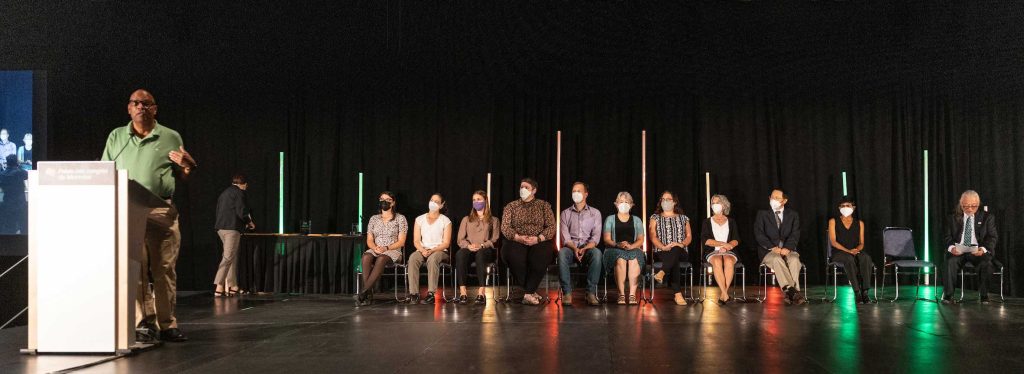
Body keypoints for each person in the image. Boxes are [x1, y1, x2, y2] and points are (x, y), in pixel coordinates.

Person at [101, 89, 197, 342]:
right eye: (136, 103)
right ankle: (142, 322)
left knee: (163, 268)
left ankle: (167, 324)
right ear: (128, 108)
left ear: (155, 109)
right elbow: (104, 171)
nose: (140, 106)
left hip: (160, 209)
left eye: (146, 103)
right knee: (136, 268)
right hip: (127, 207)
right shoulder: (117, 137)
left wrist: (188, 166)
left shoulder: (170, 136)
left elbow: (183, 174)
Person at [500, 177, 556, 305]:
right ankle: (530, 291)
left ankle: (528, 292)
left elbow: (551, 226)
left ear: (534, 190)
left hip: (538, 240)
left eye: (526, 187)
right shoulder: (511, 206)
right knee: (510, 254)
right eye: (521, 187)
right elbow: (505, 226)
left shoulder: (543, 205)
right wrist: (518, 237)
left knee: (541, 255)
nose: (523, 189)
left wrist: (538, 238)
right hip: (517, 240)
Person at [942, 190, 998, 304]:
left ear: (978, 204)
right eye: (966, 206)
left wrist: (982, 249)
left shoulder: (987, 217)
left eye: (973, 206)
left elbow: (992, 237)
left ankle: (984, 295)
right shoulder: (952, 217)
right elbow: (946, 237)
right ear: (961, 204)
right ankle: (948, 295)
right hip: (959, 250)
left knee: (986, 263)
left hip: (977, 251)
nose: (970, 209)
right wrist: (952, 248)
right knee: (949, 262)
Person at [354, 191, 408, 306]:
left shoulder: (400, 218)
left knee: (382, 258)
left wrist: (386, 248)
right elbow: (369, 240)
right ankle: (367, 293)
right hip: (376, 248)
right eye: (382, 199)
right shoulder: (374, 219)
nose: (384, 202)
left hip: (392, 250)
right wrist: (375, 248)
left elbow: (401, 242)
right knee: (366, 256)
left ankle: (364, 292)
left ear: (392, 203)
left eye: (387, 199)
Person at [753, 189, 805, 305]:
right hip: (769, 251)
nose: (773, 200)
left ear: (784, 201)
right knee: (776, 259)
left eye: (777, 198)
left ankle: (789, 293)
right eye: (772, 197)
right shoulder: (762, 214)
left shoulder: (793, 215)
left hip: (788, 249)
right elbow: (759, 234)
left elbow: (795, 233)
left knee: (794, 260)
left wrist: (788, 248)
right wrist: (772, 247)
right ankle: (794, 292)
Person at [557, 181, 603, 306]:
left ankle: (590, 293)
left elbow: (595, 238)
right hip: (571, 248)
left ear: (586, 194)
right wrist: (575, 249)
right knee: (561, 253)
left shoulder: (595, 213)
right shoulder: (565, 213)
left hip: (588, 248)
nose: (575, 193)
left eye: (579, 191)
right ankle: (567, 293)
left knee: (597, 254)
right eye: (574, 191)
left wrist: (584, 248)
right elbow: (565, 238)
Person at [454, 190, 500, 305]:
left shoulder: (493, 220)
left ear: (485, 201)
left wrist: (482, 245)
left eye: (479, 199)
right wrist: (468, 246)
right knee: (460, 254)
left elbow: (495, 239)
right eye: (474, 200)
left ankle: (481, 292)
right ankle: (463, 292)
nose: (476, 202)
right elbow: (460, 239)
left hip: (485, 250)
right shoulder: (466, 219)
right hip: (469, 248)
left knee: (480, 255)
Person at [406, 193, 452, 304]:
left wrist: (432, 250)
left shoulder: (445, 221)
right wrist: (422, 250)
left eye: (436, 201)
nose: (433, 203)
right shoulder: (419, 219)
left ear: (441, 205)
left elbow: (446, 243)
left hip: (439, 251)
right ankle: (414, 293)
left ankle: (431, 293)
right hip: (423, 249)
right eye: (432, 200)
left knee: (433, 259)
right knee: (413, 258)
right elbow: (416, 241)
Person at [213, 173, 255, 297]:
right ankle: (219, 286)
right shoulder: (239, 193)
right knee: (227, 257)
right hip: (232, 229)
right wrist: (249, 222)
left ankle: (233, 285)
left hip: (221, 228)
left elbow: (219, 210)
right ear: (243, 184)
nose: (246, 188)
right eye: (246, 186)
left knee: (232, 256)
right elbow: (242, 211)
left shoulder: (224, 193)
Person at [648, 190, 691, 306]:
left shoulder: (684, 218)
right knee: (674, 259)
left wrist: (680, 244)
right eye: (663, 199)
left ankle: (662, 272)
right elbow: (652, 236)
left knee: (675, 249)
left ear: (674, 202)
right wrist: (663, 247)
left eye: (668, 199)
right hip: (662, 251)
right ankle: (678, 294)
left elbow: (689, 236)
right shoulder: (655, 217)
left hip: (681, 250)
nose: (665, 201)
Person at [827, 196, 873, 304]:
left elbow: (861, 243)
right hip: (839, 252)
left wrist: (856, 250)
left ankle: (865, 292)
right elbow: (833, 241)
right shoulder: (833, 221)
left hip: (855, 251)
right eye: (842, 206)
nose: (845, 208)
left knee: (866, 258)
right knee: (848, 259)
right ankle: (857, 292)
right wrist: (849, 251)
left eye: (848, 205)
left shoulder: (860, 223)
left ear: (853, 208)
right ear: (839, 208)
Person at [603, 192, 646, 305]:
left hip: (634, 248)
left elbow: (641, 239)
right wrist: (618, 244)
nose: (624, 204)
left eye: (627, 202)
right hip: (614, 248)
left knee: (634, 258)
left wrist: (631, 246)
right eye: (621, 202)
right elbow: (607, 239)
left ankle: (632, 295)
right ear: (616, 204)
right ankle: (621, 294)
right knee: (621, 258)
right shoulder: (610, 219)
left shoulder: (637, 220)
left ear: (631, 205)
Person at [700, 194, 740, 305]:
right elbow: (706, 240)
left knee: (728, 260)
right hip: (712, 251)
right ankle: (725, 294)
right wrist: (722, 244)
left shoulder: (731, 221)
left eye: (717, 202)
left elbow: (736, 239)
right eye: (713, 203)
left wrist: (729, 246)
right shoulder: (707, 222)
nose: (715, 205)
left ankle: (723, 294)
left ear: (724, 205)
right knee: (717, 260)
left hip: (729, 250)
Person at [0, 155, 27, 234]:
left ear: (7, 162)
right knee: (23, 225)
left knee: (10, 225)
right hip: (20, 203)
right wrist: (19, 165)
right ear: (16, 162)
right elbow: (26, 175)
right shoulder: (20, 172)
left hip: (7, 202)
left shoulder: (2, 174)